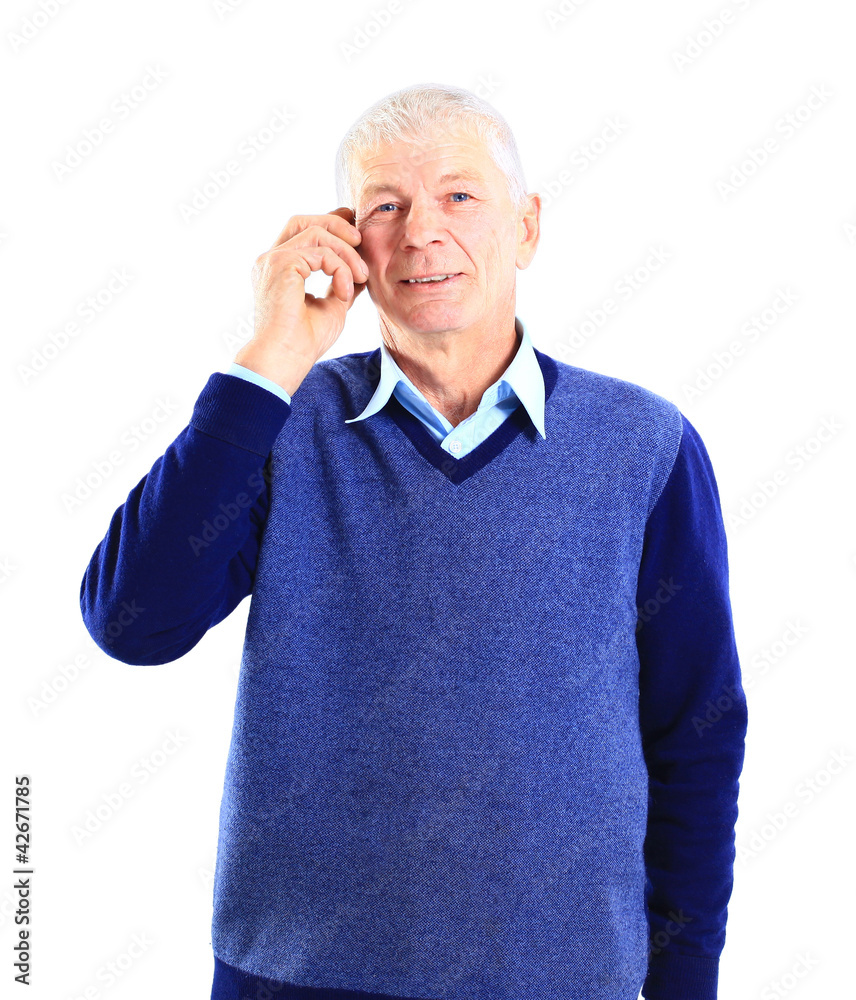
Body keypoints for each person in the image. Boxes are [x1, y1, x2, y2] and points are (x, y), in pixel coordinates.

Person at [79, 82, 748, 1000]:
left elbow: (696, 736)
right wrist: (273, 354)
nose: (422, 231)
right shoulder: (278, 426)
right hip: (297, 977)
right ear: (351, 242)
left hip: (563, 979)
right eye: (385, 206)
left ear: (528, 227)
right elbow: (131, 621)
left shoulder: (644, 444)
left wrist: (685, 984)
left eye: (460, 196)